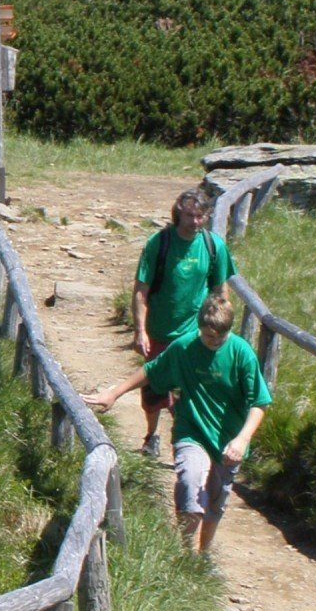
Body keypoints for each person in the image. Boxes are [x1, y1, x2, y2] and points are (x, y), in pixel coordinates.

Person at [83, 290, 270, 555]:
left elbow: (259, 402)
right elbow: (151, 371)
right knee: (189, 485)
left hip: (228, 440)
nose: (214, 342)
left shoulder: (242, 354)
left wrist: (242, 439)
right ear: (200, 327)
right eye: (208, 336)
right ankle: (186, 553)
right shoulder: (184, 347)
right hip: (191, 431)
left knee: (216, 504)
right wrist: (113, 393)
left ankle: (203, 555)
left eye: (220, 338)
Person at [130, 188, 234, 459]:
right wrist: (140, 330)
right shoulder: (159, 243)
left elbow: (220, 290)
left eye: (200, 216)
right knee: (153, 391)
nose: (195, 222)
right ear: (178, 213)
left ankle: (186, 444)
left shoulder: (214, 247)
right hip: (159, 332)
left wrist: (222, 330)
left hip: (194, 335)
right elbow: (141, 289)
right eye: (189, 215)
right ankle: (152, 435)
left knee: (189, 393)